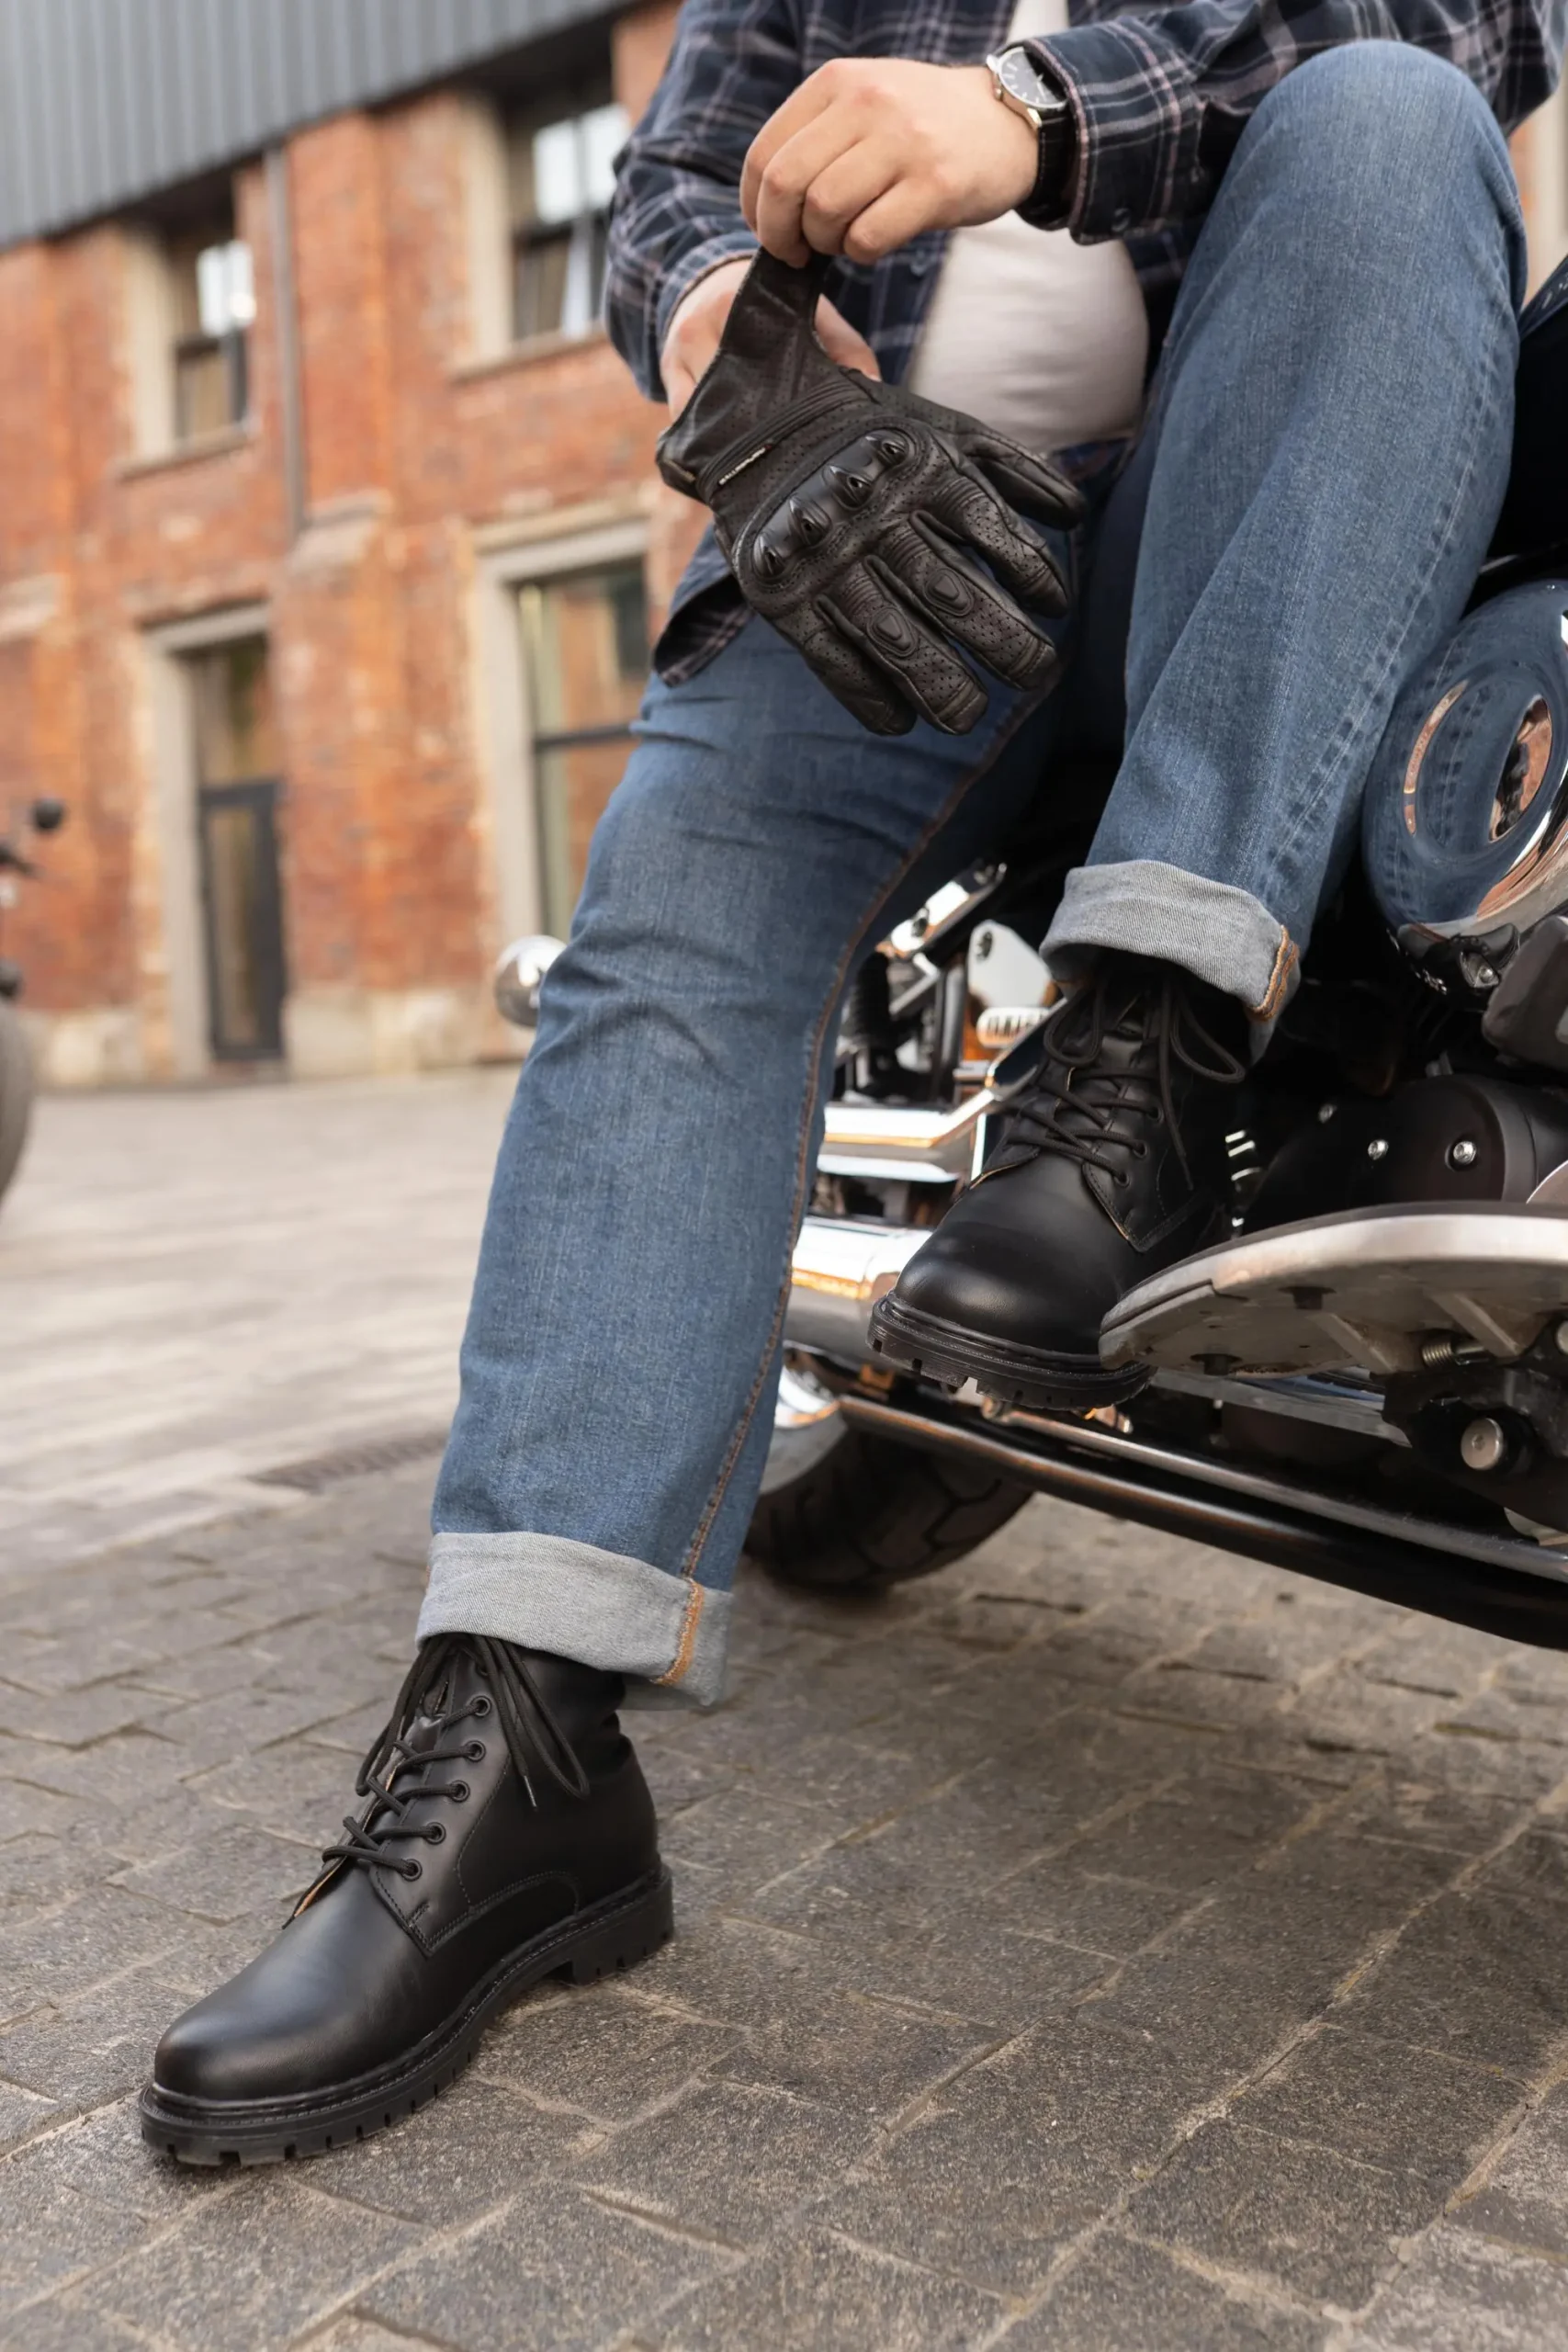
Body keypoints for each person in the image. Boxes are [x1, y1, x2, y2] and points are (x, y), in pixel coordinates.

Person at [140, 0, 1563, 2162]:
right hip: (886, 528)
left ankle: (1141, 1069)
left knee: (1386, 113)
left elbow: (1468, 20)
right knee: (667, 944)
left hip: (1276, 512)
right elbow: (664, 182)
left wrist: (1027, 114)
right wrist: (741, 355)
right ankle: (522, 1746)